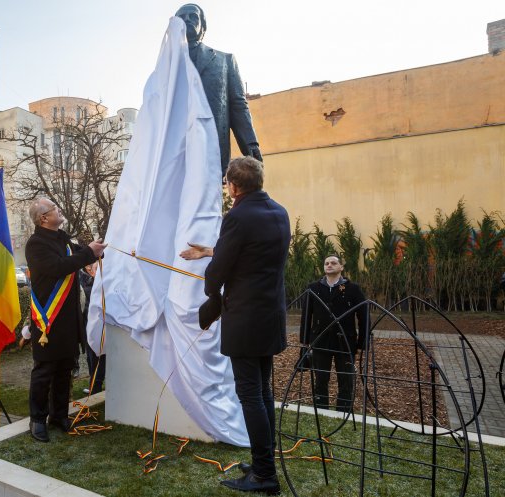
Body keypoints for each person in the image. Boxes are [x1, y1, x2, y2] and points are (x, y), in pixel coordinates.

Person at [188, 157, 289, 495]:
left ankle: (264, 475)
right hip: (270, 315)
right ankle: (264, 462)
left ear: (232, 186)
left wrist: (210, 289)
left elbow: (219, 271)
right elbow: (252, 253)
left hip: (245, 318)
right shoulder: (279, 211)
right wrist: (211, 251)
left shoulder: (237, 217)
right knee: (263, 392)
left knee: (251, 394)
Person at [25, 197, 107, 442]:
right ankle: (37, 419)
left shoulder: (63, 238)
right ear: (43, 218)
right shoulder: (36, 244)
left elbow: (77, 256)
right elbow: (59, 267)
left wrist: (94, 251)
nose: (59, 210)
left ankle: (59, 415)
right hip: (48, 320)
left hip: (69, 318)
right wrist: (88, 254)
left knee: (65, 369)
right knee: (45, 371)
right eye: (54, 209)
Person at [175, 4, 262, 176]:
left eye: (193, 16)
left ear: (203, 26)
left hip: (212, 150)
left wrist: (251, 146)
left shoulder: (224, 61)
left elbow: (238, 106)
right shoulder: (167, 68)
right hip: (175, 153)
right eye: (181, 18)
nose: (187, 20)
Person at [300, 255, 368, 412]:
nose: (329, 265)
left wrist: (361, 344)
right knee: (320, 379)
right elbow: (306, 316)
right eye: (326, 263)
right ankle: (321, 409)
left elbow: (363, 317)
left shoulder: (352, 289)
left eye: (333, 263)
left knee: (345, 379)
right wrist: (305, 341)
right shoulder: (313, 288)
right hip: (320, 340)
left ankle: (343, 411)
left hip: (345, 342)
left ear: (341, 267)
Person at [79, 263, 105, 395]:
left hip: (103, 324)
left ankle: (96, 386)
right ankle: (94, 388)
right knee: (92, 358)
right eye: (89, 266)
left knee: (102, 358)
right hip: (89, 325)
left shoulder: (103, 275)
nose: (91, 268)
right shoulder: (81, 279)